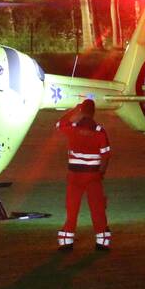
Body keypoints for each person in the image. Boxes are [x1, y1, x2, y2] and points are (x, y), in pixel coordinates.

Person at [55, 99, 112, 252]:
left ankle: (66, 242)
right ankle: (102, 242)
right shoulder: (100, 131)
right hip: (93, 176)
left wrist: (73, 110)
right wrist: (101, 174)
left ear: (82, 111)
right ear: (94, 112)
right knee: (98, 209)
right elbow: (106, 156)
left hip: (75, 176)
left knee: (72, 210)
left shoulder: (72, 128)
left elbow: (59, 124)